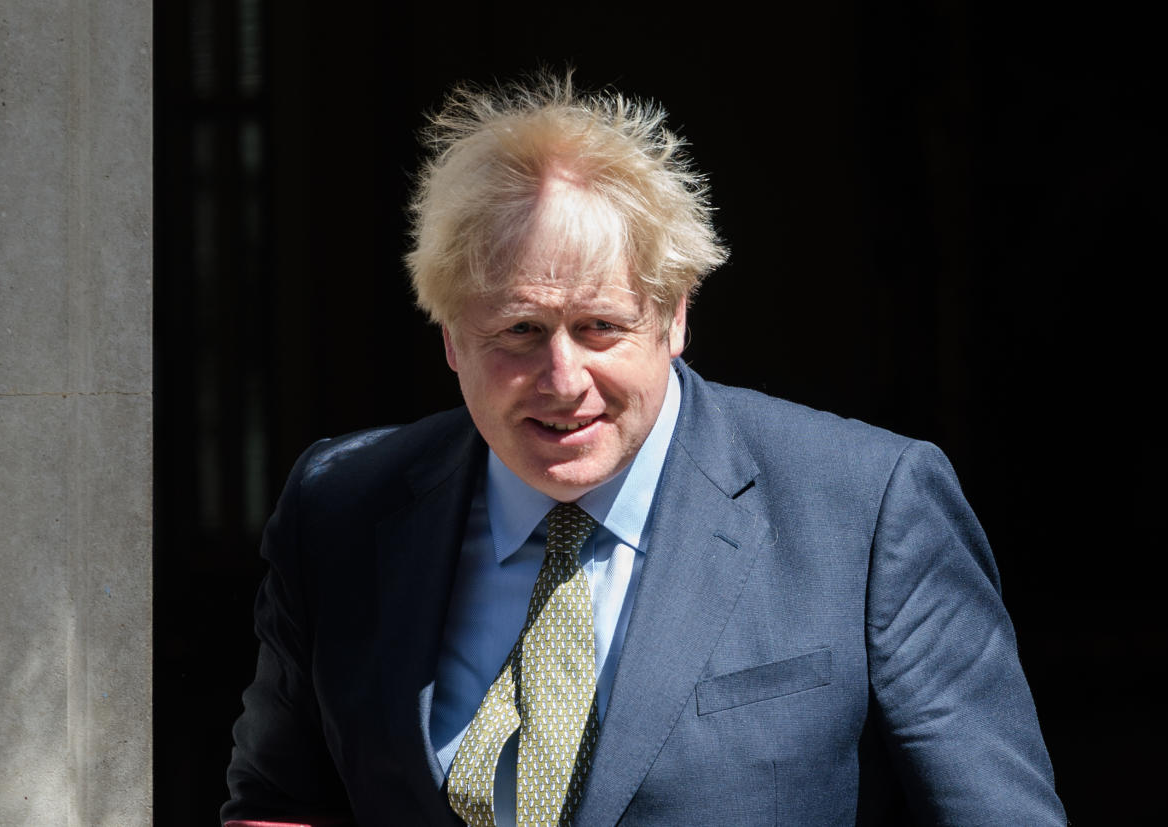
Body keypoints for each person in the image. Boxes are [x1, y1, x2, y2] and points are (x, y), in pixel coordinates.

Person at [222, 74, 1066, 826]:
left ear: (676, 317)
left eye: (601, 328)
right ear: (450, 336)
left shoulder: (867, 506)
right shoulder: (341, 507)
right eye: (519, 330)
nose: (563, 378)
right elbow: (282, 802)